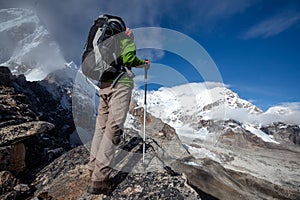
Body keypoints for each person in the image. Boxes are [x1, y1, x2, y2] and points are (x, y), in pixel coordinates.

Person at [87, 19, 150, 195]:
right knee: (113, 128)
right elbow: (128, 59)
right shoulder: (125, 38)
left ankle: (92, 169)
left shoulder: (104, 40)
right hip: (120, 84)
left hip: (104, 85)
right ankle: (100, 179)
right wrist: (143, 63)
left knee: (100, 127)